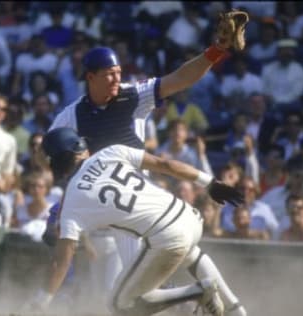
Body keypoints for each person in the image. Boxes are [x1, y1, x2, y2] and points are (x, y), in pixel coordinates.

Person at [48, 13, 242, 306]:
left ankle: (220, 303)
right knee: (178, 260)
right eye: (109, 73)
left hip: (137, 198)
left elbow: (180, 79)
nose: (117, 78)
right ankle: (233, 309)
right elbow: (52, 152)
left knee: (134, 296)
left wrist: (216, 51)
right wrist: (62, 203)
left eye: (118, 71)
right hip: (111, 206)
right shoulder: (71, 115)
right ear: (90, 77)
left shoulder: (133, 95)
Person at [28, 127, 247, 316]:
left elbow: (61, 261)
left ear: (54, 161)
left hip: (166, 235)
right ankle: (235, 309)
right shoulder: (110, 151)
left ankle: (198, 291)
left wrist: (40, 302)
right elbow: (166, 164)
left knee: (119, 305)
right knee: (190, 253)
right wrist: (209, 182)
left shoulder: (73, 198)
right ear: (77, 150)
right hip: (188, 216)